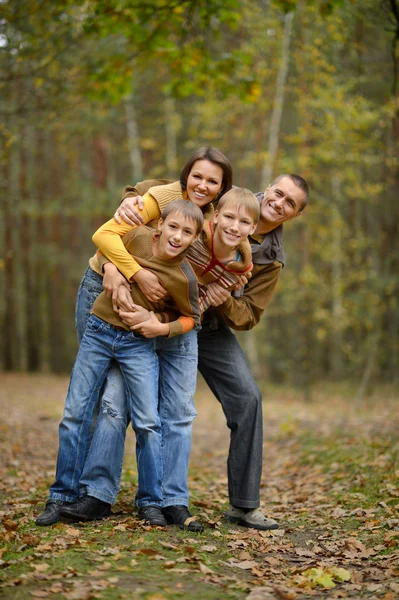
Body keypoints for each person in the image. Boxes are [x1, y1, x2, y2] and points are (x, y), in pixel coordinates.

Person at [36, 148, 233, 529]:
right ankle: (78, 494)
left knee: (154, 414)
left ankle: (158, 499)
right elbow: (111, 233)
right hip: (106, 303)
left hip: (154, 325)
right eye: (198, 176)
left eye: (214, 181)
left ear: (223, 188)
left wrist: (161, 322)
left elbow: (194, 299)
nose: (203, 186)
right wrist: (121, 270)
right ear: (184, 176)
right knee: (94, 404)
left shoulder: (213, 225)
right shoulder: (160, 199)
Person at [113, 173, 310, 530]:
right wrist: (132, 197)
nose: (279, 203)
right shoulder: (228, 199)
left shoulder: (272, 260)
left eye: (290, 203)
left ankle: (244, 506)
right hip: (161, 307)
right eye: (278, 193)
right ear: (268, 188)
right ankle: (95, 492)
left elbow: (248, 315)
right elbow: (172, 187)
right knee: (124, 401)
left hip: (210, 327)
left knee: (248, 399)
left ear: (294, 215)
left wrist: (222, 301)